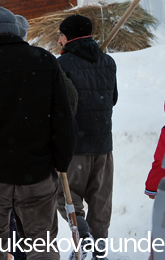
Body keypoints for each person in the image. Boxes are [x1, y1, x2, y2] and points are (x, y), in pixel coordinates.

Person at [0, 7, 76, 260]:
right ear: (16, 30)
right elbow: (63, 117)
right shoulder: (43, 60)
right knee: (41, 245)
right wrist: (60, 161)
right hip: (37, 171)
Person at [56, 14, 118, 258]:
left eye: (61, 34)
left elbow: (61, 106)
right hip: (104, 144)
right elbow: (112, 99)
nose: (59, 40)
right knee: (101, 201)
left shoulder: (62, 66)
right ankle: (98, 249)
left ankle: (84, 241)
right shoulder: (108, 62)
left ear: (68, 36)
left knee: (67, 198)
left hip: (75, 146)